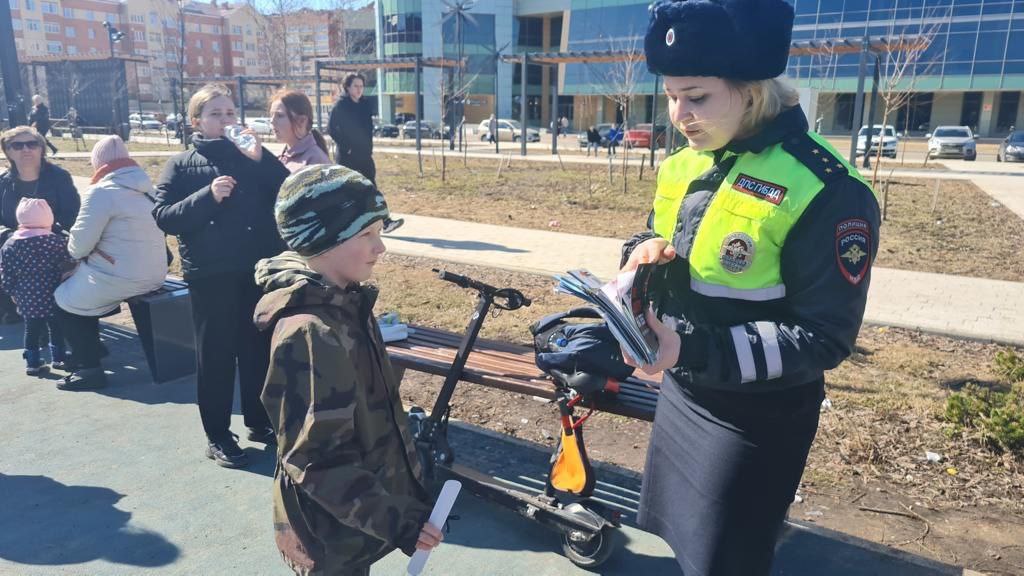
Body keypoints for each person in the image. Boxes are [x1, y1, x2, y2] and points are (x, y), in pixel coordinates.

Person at [620, 1, 880, 575]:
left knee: (728, 557)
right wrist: (641, 254)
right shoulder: (686, 164)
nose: (678, 115)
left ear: (753, 89)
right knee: (679, 546)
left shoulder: (827, 189)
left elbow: (823, 336)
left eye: (697, 96)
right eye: (670, 96)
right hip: (683, 389)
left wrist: (688, 349)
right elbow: (664, 236)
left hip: (757, 416)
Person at [255, 164, 443, 575]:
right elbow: (317, 459)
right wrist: (399, 522)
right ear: (322, 242)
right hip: (329, 533)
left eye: (379, 233)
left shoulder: (347, 305)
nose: (381, 248)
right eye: (366, 235)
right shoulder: (311, 332)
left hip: (354, 520)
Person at [152, 83, 290, 469]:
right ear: (197, 121)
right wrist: (206, 197)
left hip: (257, 269)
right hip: (211, 274)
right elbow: (163, 216)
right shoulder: (181, 164)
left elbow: (287, 192)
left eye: (230, 113)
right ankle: (217, 434)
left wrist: (261, 157)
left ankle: (259, 420)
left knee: (256, 348)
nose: (226, 120)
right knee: (215, 355)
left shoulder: (253, 157)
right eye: (216, 114)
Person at [53, 136, 169, 391]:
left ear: (98, 164)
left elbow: (78, 247)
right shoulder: (148, 189)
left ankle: (89, 366)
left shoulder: (101, 192)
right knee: (85, 289)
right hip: (155, 273)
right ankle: (92, 347)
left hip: (121, 276)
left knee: (65, 299)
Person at [0, 126, 80, 324]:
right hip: (12, 245)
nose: (25, 149)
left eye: (32, 144)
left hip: (52, 245)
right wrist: (10, 236)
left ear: (41, 148)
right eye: (17, 145)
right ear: (8, 151)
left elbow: (73, 215)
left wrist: (42, 236)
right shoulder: (2, 183)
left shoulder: (59, 177)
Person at [0, 198, 72, 375]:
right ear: (48, 219)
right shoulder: (55, 242)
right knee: (56, 327)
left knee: (31, 330)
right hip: (54, 294)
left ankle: (32, 363)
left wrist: (12, 292)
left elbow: (5, 271)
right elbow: (67, 262)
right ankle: (60, 358)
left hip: (27, 297)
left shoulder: (10, 245)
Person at [328, 73, 403, 234]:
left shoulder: (365, 105)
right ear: (347, 87)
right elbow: (331, 129)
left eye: (361, 86)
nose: (359, 89)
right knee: (347, 191)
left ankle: (385, 221)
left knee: (371, 189)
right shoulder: (340, 106)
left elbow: (368, 129)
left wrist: (368, 148)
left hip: (364, 155)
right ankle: (343, 224)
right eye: (356, 86)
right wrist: (346, 146)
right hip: (347, 156)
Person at [268, 89, 330, 172]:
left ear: (302, 121)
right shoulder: (283, 156)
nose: (272, 121)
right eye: (271, 115)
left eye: (279, 115)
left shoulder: (316, 161)